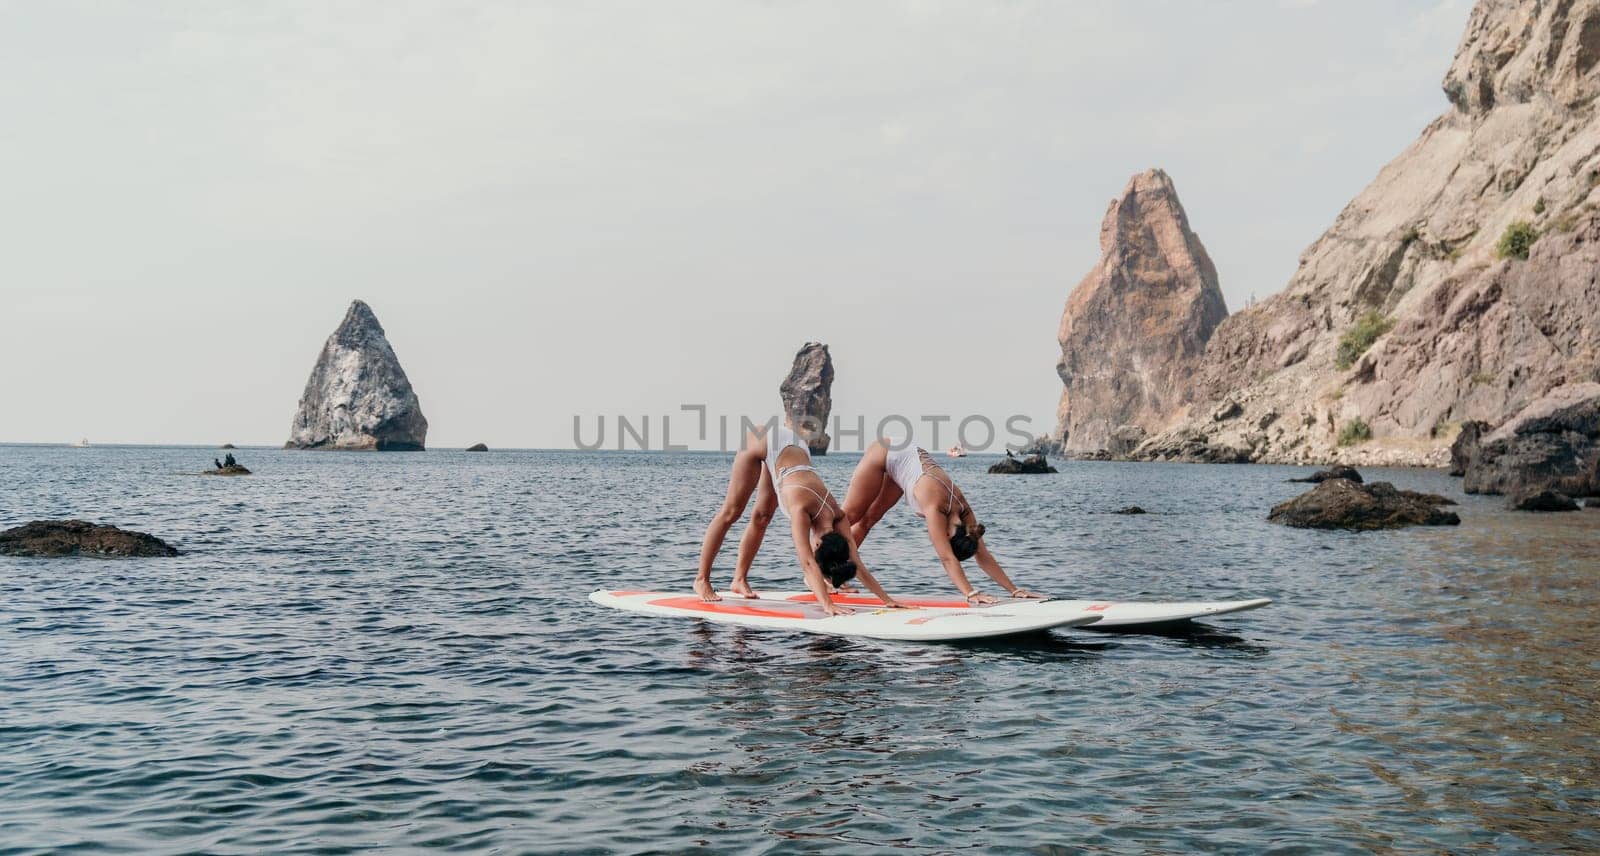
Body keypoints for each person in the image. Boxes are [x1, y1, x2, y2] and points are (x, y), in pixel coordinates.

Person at [695, 423, 904, 615]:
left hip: (793, 450)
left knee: (762, 517)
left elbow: (856, 561)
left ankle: (738, 580)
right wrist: (827, 604)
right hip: (764, 440)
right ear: (819, 543)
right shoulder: (800, 510)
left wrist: (887, 600)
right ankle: (701, 579)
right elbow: (806, 562)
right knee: (731, 512)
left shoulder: (839, 516)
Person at [843, 436, 1044, 604]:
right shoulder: (935, 508)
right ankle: (818, 567)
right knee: (848, 517)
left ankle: (835, 572)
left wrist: (1014, 590)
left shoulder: (965, 513)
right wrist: (970, 593)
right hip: (886, 451)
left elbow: (982, 553)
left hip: (903, 461)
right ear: (948, 534)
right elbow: (947, 557)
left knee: (869, 520)